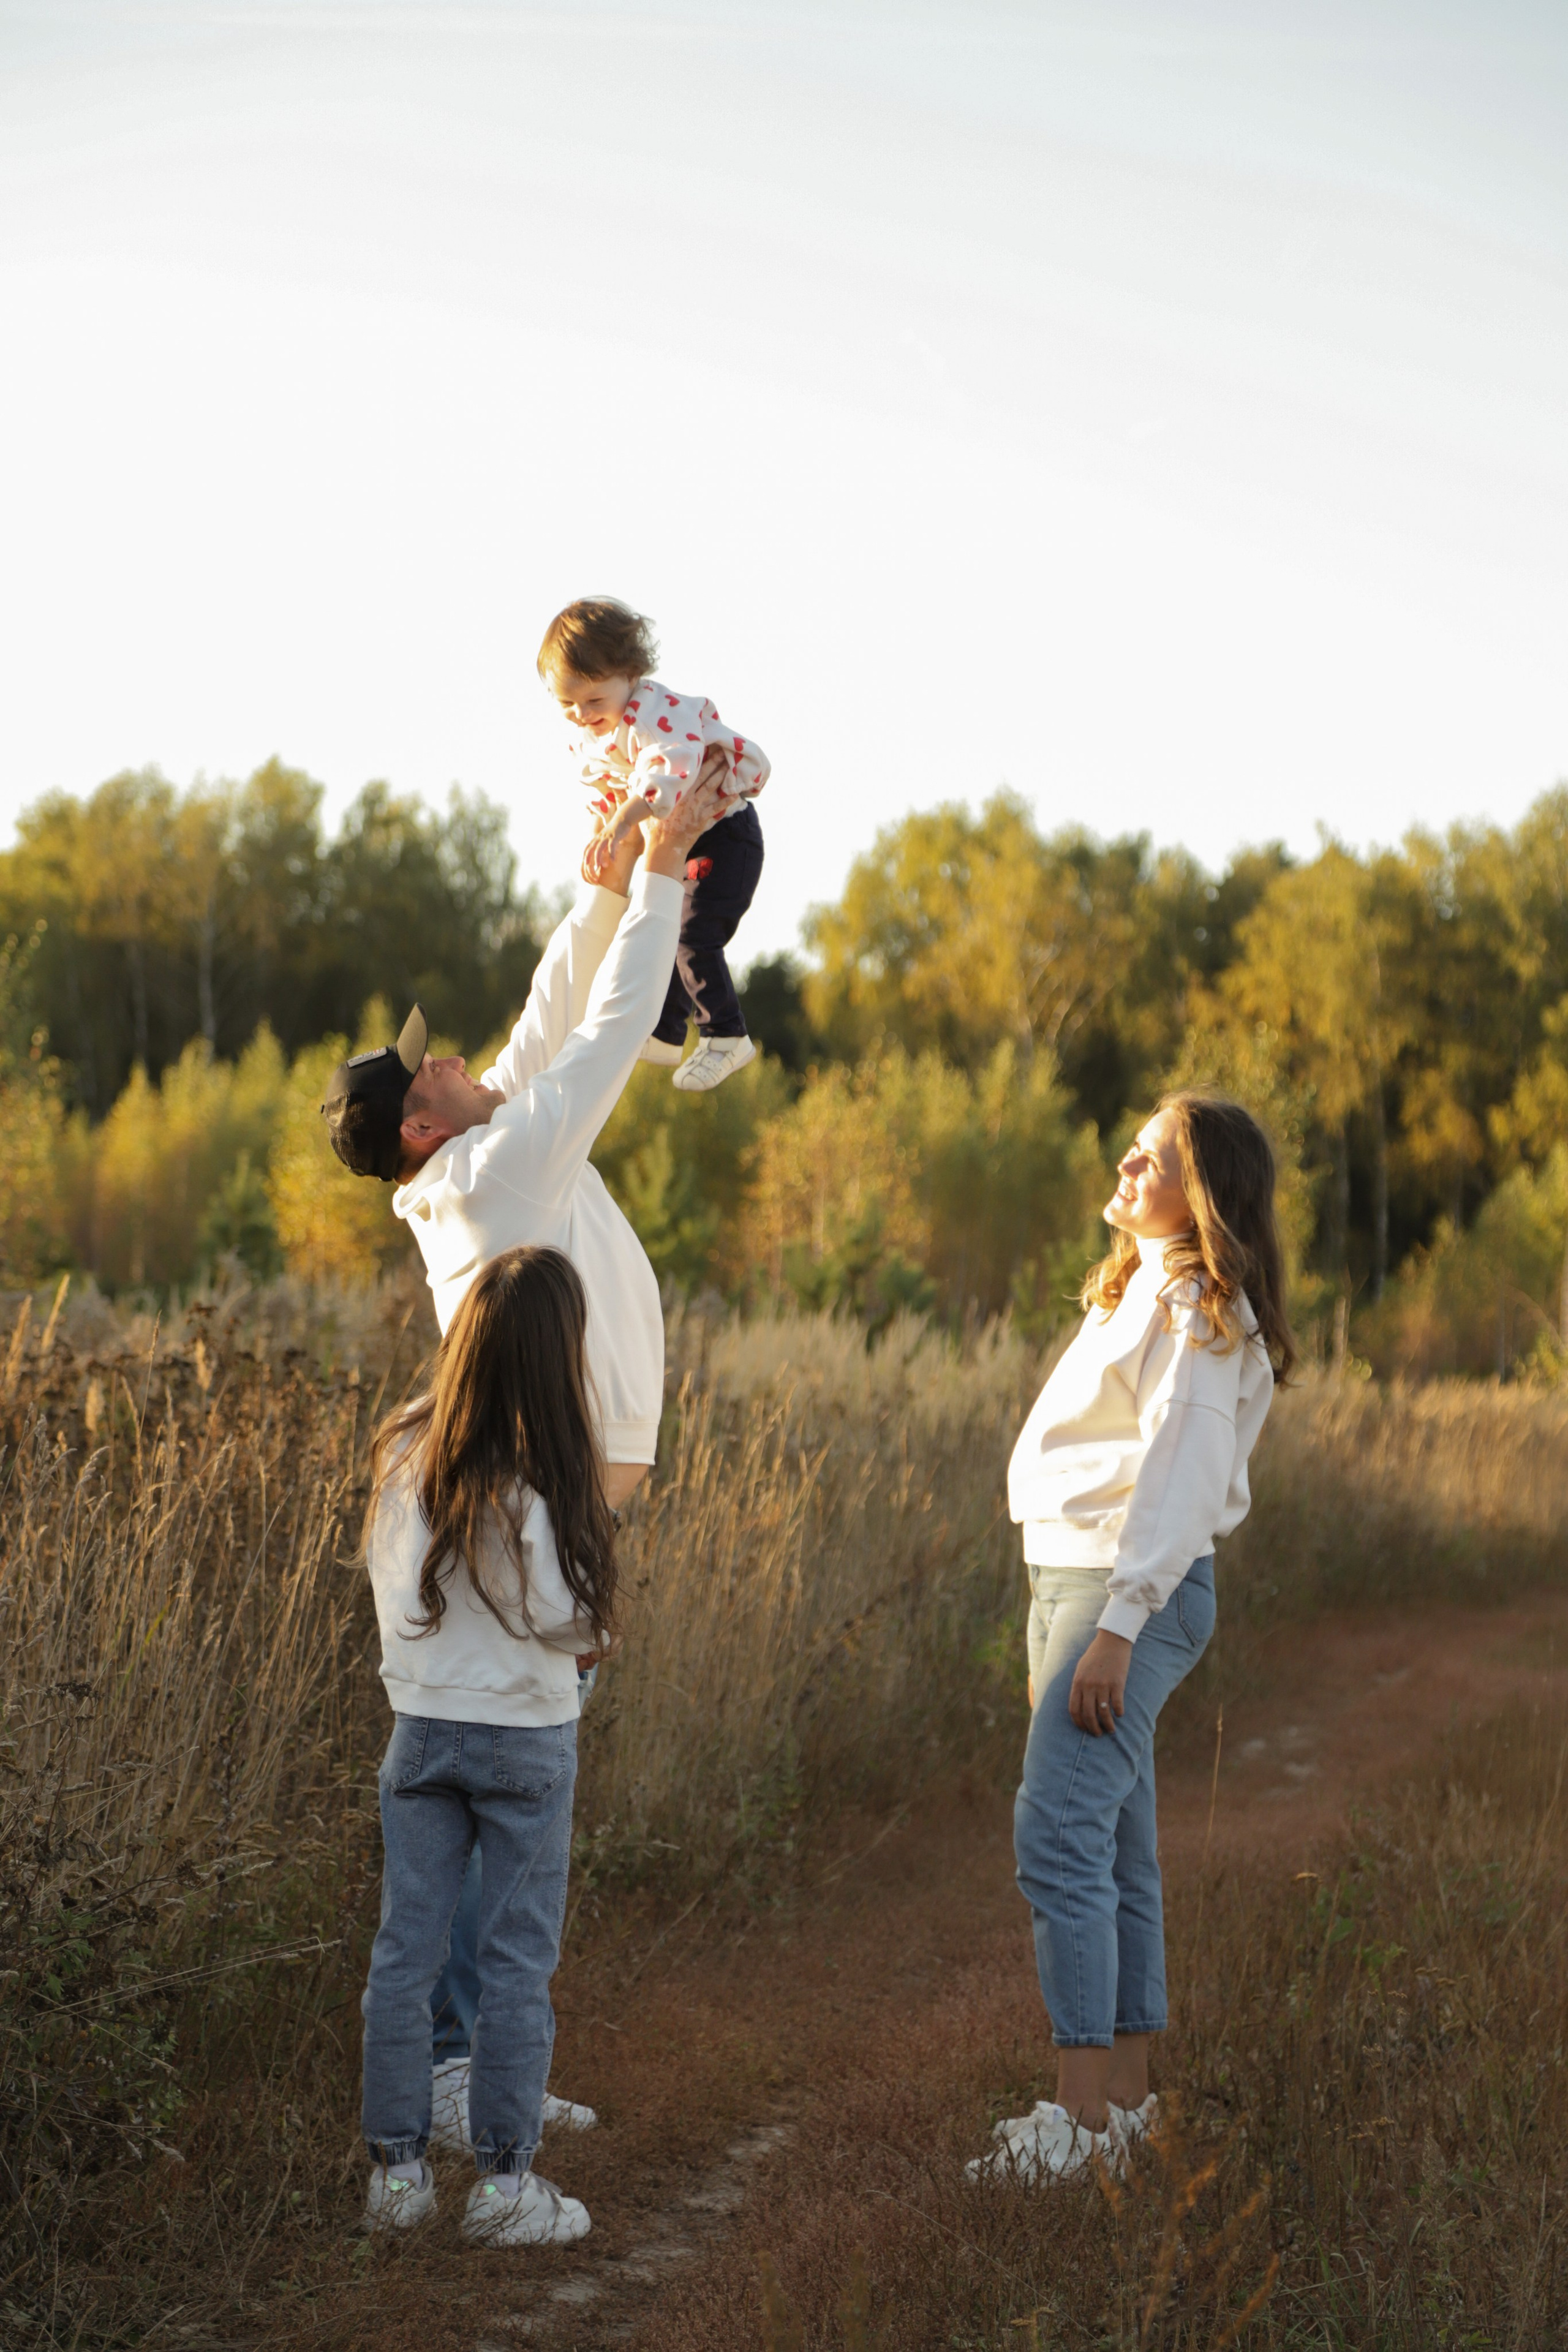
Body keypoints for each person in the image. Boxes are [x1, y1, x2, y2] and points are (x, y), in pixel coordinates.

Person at [323, 766, 726, 2157]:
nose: (453, 1056)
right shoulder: (496, 1171)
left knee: (502, 1776)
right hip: (558, 1471)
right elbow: (608, 1029)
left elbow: (550, 1012)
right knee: (516, 1768)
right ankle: (459, 2079)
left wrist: (603, 878)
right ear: (418, 1125)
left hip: (569, 1459)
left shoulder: (474, 1147)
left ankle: (470, 2066)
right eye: (429, 1066)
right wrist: (666, 871)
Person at [968, 1092, 1295, 2185]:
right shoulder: (1144, 1289)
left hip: (1120, 1592)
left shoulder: (1200, 1305)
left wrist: (1118, 1624)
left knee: (1055, 1833)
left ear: (1200, 1190)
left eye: (1150, 1156)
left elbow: (1177, 1476)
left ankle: (1077, 2131)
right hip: (1078, 1580)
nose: (1125, 1160)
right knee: (1110, 1843)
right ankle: (1130, 2105)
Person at [360, 1245, 614, 2244]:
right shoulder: (537, 1468)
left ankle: (397, 2179)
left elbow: (390, 1588)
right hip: (525, 1747)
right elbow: (565, 1617)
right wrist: (595, 1636)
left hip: (419, 1732)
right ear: (555, 1356)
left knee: (403, 1954)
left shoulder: (405, 1449)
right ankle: (505, 2191)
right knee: (514, 1963)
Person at [538, 595, 769, 1093]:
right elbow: (605, 790)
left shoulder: (654, 713)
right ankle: (664, 1034)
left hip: (726, 838)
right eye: (567, 704)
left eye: (594, 701)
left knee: (694, 935)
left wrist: (626, 817)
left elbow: (671, 766)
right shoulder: (593, 734)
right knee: (662, 932)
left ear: (630, 674)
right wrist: (605, 833)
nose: (581, 714)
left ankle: (727, 1035)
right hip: (688, 842)